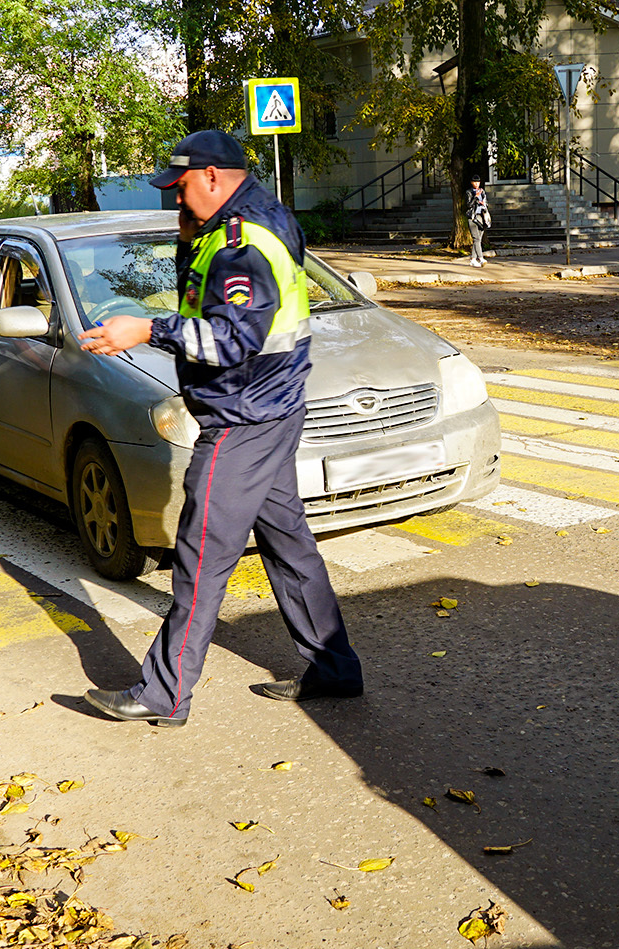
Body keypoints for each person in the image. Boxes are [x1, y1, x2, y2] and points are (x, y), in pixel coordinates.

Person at [76, 130, 364, 729]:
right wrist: (189, 240)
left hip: (242, 420)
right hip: (274, 408)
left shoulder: (240, 245)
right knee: (289, 546)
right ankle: (335, 668)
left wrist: (147, 330)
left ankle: (164, 693)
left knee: (200, 553)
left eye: (180, 190)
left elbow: (232, 339)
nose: (176, 202)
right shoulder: (259, 215)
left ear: (212, 177)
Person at [467, 180, 492, 267]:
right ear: (471, 183)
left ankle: (473, 259)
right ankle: (481, 258)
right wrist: (476, 198)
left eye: (478, 182)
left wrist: (484, 204)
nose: (477, 184)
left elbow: (486, 203)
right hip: (473, 217)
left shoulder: (482, 191)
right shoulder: (469, 192)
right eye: (475, 182)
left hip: (482, 216)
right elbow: (468, 205)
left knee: (478, 239)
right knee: (476, 238)